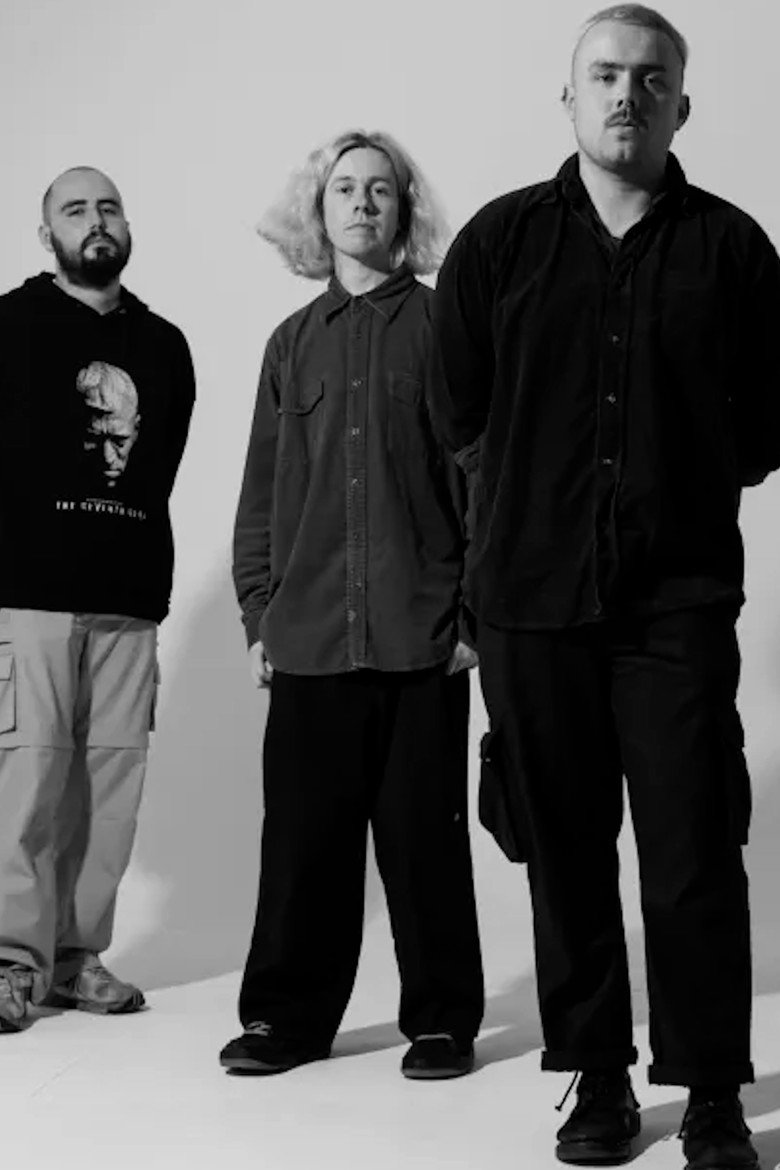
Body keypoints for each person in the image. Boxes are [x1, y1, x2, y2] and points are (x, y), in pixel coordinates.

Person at [432, 6, 779, 1168]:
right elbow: (458, 411)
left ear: (683, 103)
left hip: (677, 606)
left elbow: (766, 423)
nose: (628, 94)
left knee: (693, 850)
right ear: (570, 96)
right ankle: (596, 1075)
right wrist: (531, 508)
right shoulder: (499, 244)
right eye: (606, 75)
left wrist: (675, 488)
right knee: (567, 852)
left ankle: (712, 1091)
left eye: (651, 77)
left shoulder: (733, 249)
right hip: (531, 611)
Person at [220, 129, 484, 1080]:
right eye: (345, 188)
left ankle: (442, 1021)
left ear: (404, 210)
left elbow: (479, 481)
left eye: (380, 189)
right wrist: (259, 613)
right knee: (302, 845)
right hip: (309, 638)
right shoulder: (291, 345)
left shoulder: (446, 328)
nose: (363, 202)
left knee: (424, 844)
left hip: (423, 637)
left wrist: (472, 621)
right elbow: (262, 494)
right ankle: (284, 1021)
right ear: (318, 209)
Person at [0, 166, 195, 1032]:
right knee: (27, 778)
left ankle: (77, 957)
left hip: (128, 597)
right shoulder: (10, 325)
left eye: (108, 206)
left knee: (111, 785)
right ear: (48, 234)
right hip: (28, 593)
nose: (95, 220)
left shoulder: (163, 345)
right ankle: (11, 961)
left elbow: (161, 462)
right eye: (75, 210)